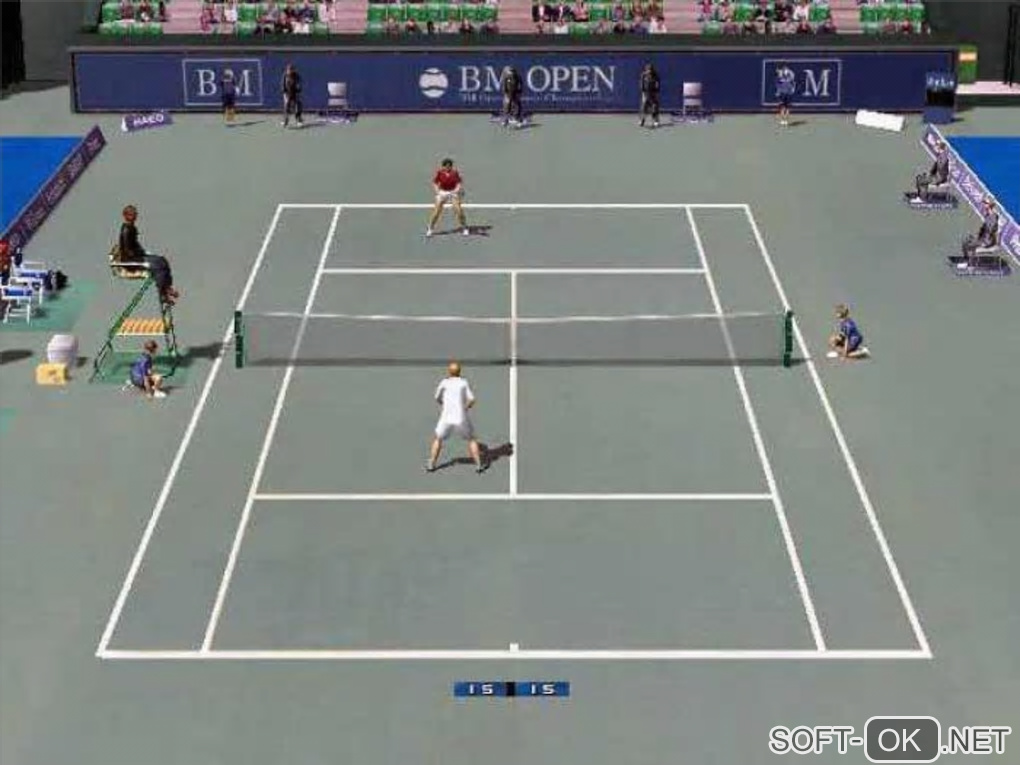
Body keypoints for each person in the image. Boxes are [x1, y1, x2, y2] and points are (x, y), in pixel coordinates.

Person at [426, 361, 485, 474]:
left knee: (438, 439)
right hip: (461, 417)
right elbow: (472, 400)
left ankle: (431, 464)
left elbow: (437, 397)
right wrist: (464, 408)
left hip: (446, 417)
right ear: (459, 372)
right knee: (472, 439)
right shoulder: (463, 382)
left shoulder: (444, 382)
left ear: (449, 372)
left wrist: (444, 405)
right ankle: (478, 465)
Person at [426, 158, 469, 238]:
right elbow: (435, 183)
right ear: (443, 166)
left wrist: (456, 190)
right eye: (446, 166)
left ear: (451, 166)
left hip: (452, 192)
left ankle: (465, 227)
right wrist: (437, 191)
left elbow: (459, 183)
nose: (447, 168)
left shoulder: (455, 173)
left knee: (459, 211)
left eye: (449, 166)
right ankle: (430, 228)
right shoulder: (439, 173)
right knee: (437, 212)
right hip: (442, 192)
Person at [961, 197, 1000, 262]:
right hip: (982, 238)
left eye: (985, 203)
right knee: (965, 243)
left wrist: (984, 241)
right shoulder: (987, 215)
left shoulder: (993, 217)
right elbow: (984, 230)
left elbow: (991, 232)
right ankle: (967, 260)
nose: (983, 204)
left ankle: (969, 263)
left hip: (987, 241)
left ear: (990, 205)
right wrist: (977, 235)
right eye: (984, 203)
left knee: (972, 248)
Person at [639, 63, 661, 128]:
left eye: (650, 70)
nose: (649, 71)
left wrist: (657, 93)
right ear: (646, 70)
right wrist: (643, 94)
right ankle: (642, 120)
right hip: (646, 93)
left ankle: (656, 121)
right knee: (644, 108)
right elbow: (641, 84)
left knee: (655, 108)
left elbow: (658, 85)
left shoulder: (656, 76)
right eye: (648, 69)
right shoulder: (643, 75)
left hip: (653, 94)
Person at [281, 62, 303, 128]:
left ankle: (299, 120)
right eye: (288, 70)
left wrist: (298, 91)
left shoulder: (296, 76)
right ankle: (285, 121)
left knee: (298, 106)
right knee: (286, 107)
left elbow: (299, 84)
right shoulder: (285, 76)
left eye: (291, 70)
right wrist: (284, 94)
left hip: (295, 93)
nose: (289, 71)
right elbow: (283, 85)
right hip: (288, 93)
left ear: (293, 70)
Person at [775, 63, 796, 127]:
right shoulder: (788, 74)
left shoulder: (786, 74)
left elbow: (779, 83)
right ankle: (784, 121)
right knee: (785, 107)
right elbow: (778, 83)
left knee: (784, 107)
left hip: (785, 93)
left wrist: (778, 91)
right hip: (785, 93)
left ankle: (784, 121)